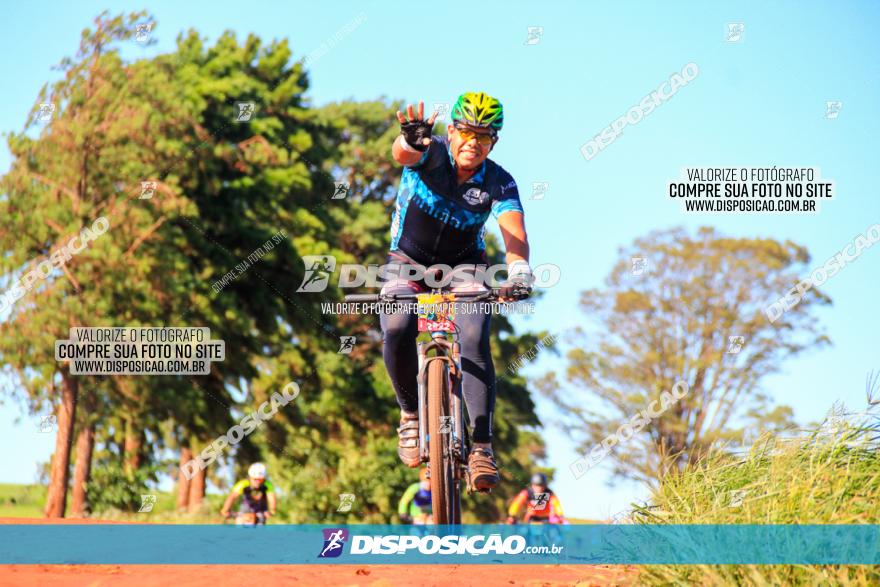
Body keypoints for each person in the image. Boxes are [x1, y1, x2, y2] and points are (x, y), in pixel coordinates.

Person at [384, 93, 532, 492]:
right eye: (466, 132)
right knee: (397, 324)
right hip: (407, 261)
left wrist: (519, 270)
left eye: (484, 136)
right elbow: (403, 155)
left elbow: (514, 234)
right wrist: (411, 140)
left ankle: (481, 449)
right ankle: (410, 417)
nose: (473, 143)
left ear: (494, 142)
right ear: (451, 131)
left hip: (464, 267)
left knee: (472, 338)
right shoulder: (431, 156)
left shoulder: (499, 181)